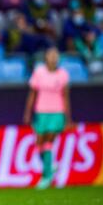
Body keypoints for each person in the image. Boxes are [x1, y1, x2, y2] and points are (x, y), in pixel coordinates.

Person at [23, 47, 73, 189]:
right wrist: (27, 113)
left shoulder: (63, 74)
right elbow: (32, 94)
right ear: (46, 57)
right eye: (51, 55)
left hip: (57, 112)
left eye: (56, 55)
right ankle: (49, 166)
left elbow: (66, 97)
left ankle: (46, 177)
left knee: (49, 140)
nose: (54, 58)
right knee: (39, 143)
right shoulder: (39, 72)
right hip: (41, 111)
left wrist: (68, 118)